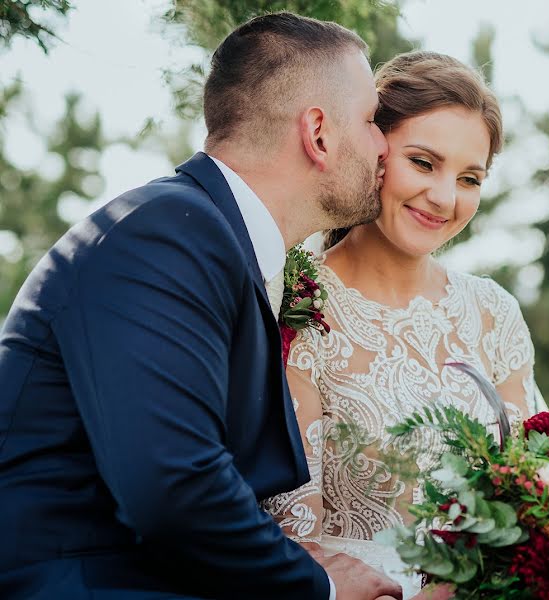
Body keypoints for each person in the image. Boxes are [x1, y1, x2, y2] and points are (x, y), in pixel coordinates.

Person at [0, 12, 401, 600]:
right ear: (318, 133)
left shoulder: (210, 239)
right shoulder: (167, 233)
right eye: (370, 121)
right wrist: (318, 585)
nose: (383, 143)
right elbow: (172, 486)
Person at [263, 51, 545, 597]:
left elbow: (537, 499)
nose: (445, 198)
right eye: (423, 162)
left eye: (469, 177)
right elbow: (294, 539)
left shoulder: (493, 312)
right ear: (374, 149)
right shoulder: (297, 306)